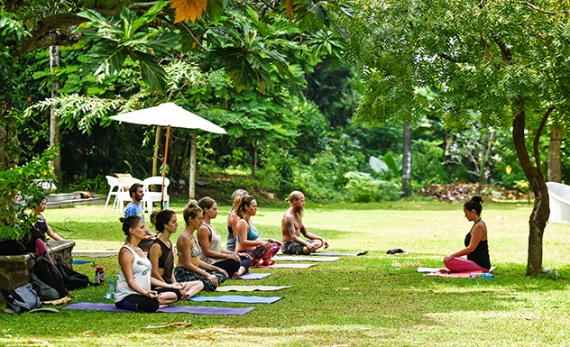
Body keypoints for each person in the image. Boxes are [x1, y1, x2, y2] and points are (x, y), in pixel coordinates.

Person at [115, 216, 182, 312]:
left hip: (144, 293)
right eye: (142, 228)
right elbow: (130, 281)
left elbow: (147, 277)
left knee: (176, 292)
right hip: (127, 296)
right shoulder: (126, 252)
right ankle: (156, 302)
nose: (146, 230)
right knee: (151, 304)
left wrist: (170, 286)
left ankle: (156, 300)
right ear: (132, 230)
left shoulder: (139, 250)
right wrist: (146, 293)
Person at [148, 210, 204, 299]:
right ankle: (179, 293)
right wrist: (168, 286)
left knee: (200, 283)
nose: (177, 224)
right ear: (165, 225)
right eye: (173, 222)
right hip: (158, 284)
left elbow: (169, 270)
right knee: (174, 293)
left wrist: (175, 284)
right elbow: (154, 273)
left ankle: (185, 294)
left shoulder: (169, 243)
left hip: (169, 284)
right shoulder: (156, 246)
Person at [174, 200, 227, 291]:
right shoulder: (184, 238)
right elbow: (188, 264)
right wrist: (207, 275)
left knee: (220, 274)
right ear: (190, 219)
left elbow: (197, 261)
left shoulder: (192, 236)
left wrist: (217, 269)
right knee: (210, 282)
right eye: (199, 219)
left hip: (194, 271)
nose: (202, 222)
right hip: (184, 273)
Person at [197, 197, 251, 279]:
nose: (216, 212)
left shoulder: (211, 226)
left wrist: (234, 254)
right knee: (234, 262)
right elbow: (207, 252)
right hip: (209, 264)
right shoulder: (203, 228)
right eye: (214, 209)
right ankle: (235, 272)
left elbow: (217, 249)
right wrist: (227, 256)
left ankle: (237, 273)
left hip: (217, 260)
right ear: (206, 210)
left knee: (245, 257)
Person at [443, 196, 491, 273]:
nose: (465, 216)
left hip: (480, 265)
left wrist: (452, 255)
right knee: (450, 259)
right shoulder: (478, 224)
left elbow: (471, 248)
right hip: (474, 262)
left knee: (449, 261)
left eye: (466, 213)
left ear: (473, 211)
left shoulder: (479, 226)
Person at [234, 194, 280, 267]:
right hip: (245, 253)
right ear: (246, 207)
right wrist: (260, 243)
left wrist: (270, 240)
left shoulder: (249, 221)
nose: (256, 209)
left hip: (253, 251)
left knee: (275, 244)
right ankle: (258, 261)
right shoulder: (242, 222)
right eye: (254, 206)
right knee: (267, 246)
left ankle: (260, 261)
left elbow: (255, 238)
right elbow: (243, 242)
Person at [124, 183, 155, 250]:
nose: (143, 194)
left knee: (160, 242)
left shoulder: (139, 206)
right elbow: (131, 229)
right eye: (140, 192)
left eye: (142, 191)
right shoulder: (131, 208)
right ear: (133, 194)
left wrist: (152, 234)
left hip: (141, 238)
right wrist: (145, 238)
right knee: (157, 246)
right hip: (135, 241)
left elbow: (142, 225)